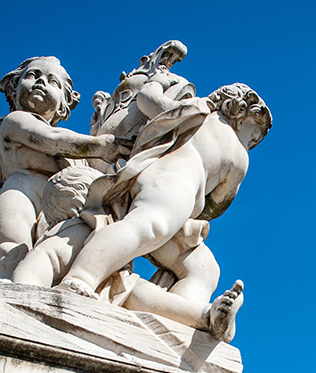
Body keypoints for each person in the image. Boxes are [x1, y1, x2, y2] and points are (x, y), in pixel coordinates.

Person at [57, 83, 272, 302]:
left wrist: (153, 86)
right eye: (254, 137)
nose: (251, 142)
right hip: (176, 188)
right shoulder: (239, 154)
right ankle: (81, 278)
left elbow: (149, 101)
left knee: (203, 268)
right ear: (243, 116)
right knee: (147, 226)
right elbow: (218, 203)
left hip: (156, 179)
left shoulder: (195, 109)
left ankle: (183, 316)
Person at [12, 165, 245, 342]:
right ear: (81, 201)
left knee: (147, 295)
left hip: (117, 285)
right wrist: (22, 291)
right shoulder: (72, 232)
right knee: (145, 296)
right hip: (84, 291)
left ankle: (209, 316)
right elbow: (43, 259)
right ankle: (206, 316)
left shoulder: (102, 230)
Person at [0, 56, 127, 280]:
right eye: (32, 75)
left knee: (56, 264)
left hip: (61, 209)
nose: (41, 83)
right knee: (11, 253)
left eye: (52, 81)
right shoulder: (15, 121)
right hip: (22, 192)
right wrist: (102, 145)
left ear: (64, 104)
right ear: (13, 88)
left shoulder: (77, 158)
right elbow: (50, 138)